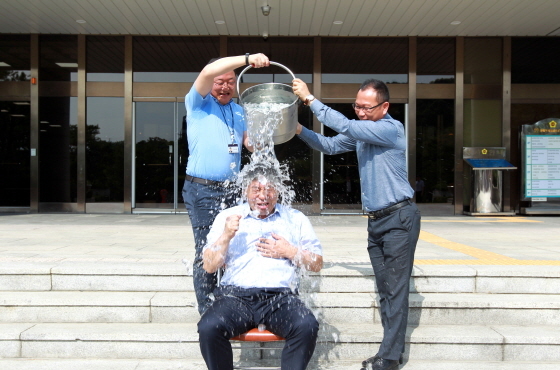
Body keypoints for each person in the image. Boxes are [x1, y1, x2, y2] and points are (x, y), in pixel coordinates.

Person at [292, 78, 421, 370]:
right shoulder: (364, 133)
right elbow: (329, 145)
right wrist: (297, 129)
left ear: (384, 106)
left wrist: (311, 100)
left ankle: (388, 357)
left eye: (366, 107)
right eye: (356, 106)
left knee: (396, 290)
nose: (359, 112)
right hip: (376, 222)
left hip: (400, 219)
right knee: (385, 289)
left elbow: (347, 127)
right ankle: (390, 352)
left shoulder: (390, 129)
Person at [197, 165, 323, 370]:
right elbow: (209, 266)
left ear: (279, 192)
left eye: (270, 189)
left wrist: (290, 251)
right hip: (235, 298)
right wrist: (226, 236)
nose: (263, 196)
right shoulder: (228, 217)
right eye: (256, 189)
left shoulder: (295, 218)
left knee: (306, 325)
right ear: (245, 191)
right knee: (209, 327)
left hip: (280, 298)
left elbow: (317, 263)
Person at [183, 53, 270, 315]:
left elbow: (248, 143)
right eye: (220, 81)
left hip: (232, 189)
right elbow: (209, 71)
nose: (225, 87)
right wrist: (247, 58)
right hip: (202, 188)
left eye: (230, 82)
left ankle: (231, 301)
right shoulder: (197, 103)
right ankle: (207, 312)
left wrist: (265, 139)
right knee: (208, 247)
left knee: (234, 245)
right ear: (210, 81)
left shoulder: (238, 110)